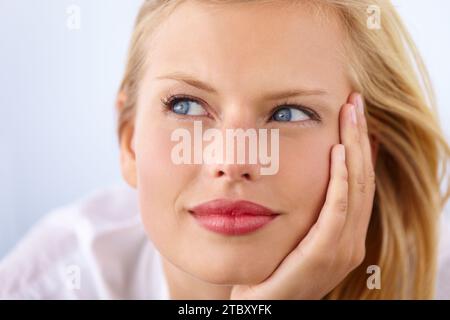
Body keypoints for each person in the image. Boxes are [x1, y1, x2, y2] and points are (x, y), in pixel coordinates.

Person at [1, 0, 449, 299]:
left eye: (288, 114)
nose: (232, 162)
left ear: (365, 151)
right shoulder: (48, 284)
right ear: (128, 141)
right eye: (187, 105)